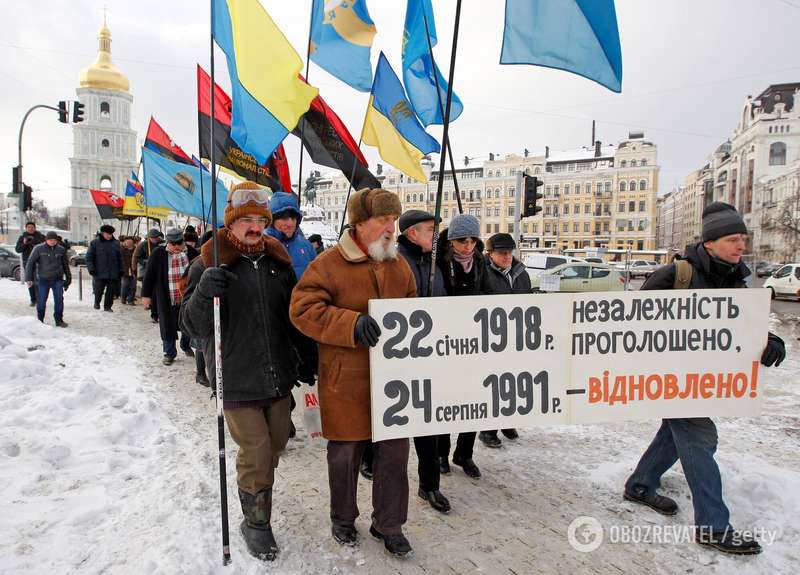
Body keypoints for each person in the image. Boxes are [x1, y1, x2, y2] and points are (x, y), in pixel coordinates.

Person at [623, 202, 785, 556]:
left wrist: (770, 340)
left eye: (743, 238)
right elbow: (631, 325)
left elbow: (747, 324)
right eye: (732, 239)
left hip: (704, 379)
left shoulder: (738, 278)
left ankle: (639, 484)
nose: (741, 245)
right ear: (710, 243)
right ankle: (713, 526)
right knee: (700, 437)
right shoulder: (675, 274)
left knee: (674, 433)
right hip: (670, 377)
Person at [181, 181, 317, 560]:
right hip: (235, 377)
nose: (255, 227)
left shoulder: (278, 262)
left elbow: (293, 317)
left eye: (261, 219)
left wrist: (307, 358)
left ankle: (256, 490)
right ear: (231, 223)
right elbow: (191, 327)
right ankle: (256, 523)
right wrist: (206, 291)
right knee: (257, 452)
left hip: (276, 377)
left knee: (274, 447)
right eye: (247, 221)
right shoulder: (208, 262)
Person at [290, 188, 417, 557]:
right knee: (345, 454)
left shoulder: (398, 265)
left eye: (394, 220)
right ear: (359, 224)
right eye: (383, 220)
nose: (392, 228)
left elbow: (413, 311)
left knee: (394, 453)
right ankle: (343, 518)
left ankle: (389, 524)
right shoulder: (328, 264)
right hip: (345, 378)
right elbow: (302, 309)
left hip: (393, 380)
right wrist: (350, 324)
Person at [396, 209, 452, 513]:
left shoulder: (433, 264)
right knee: (395, 427)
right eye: (431, 229)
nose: (436, 234)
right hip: (402, 359)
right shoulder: (396, 262)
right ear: (412, 233)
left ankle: (429, 485)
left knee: (430, 422)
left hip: (432, 355)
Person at [435, 213, 487, 479]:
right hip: (447, 341)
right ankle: (441, 453)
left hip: (475, 341)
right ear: (452, 240)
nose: (468, 246)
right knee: (447, 400)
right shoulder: (440, 263)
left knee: (474, 400)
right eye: (462, 240)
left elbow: (490, 295)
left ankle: (464, 453)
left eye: (472, 240)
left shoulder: (480, 262)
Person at [478, 233, 531, 448]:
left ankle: (507, 420)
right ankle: (488, 430)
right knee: (494, 386)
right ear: (490, 254)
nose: (507, 257)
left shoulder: (521, 273)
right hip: (491, 339)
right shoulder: (482, 272)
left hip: (516, 339)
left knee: (513, 383)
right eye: (502, 253)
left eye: (510, 253)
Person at [142, 228, 198, 366]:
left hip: (188, 297)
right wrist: (146, 295)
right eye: (173, 244)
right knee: (167, 325)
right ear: (168, 243)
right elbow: (149, 275)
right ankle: (169, 352)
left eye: (179, 243)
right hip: (166, 297)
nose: (177, 247)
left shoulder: (192, 253)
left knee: (188, 323)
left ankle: (186, 345)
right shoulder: (158, 253)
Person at [266, 191, 316, 280]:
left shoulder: (306, 246)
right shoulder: (262, 246)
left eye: (293, 218)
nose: (290, 223)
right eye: (284, 218)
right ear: (272, 220)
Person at [25, 231, 71, 327]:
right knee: (41, 301)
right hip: (43, 279)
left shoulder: (61, 250)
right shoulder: (38, 248)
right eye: (50, 240)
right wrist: (28, 278)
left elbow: (65, 265)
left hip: (57, 279)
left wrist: (68, 278)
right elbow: (30, 263)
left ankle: (59, 320)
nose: (52, 242)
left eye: (54, 240)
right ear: (46, 240)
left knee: (59, 300)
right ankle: (40, 320)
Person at [85, 224, 122, 312]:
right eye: (107, 234)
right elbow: (89, 257)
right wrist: (91, 269)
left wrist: (121, 270)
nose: (108, 236)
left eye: (110, 234)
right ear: (102, 233)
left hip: (113, 272)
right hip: (99, 271)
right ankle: (97, 302)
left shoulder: (116, 243)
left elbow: (120, 258)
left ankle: (108, 306)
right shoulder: (95, 243)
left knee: (111, 291)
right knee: (99, 290)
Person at [135, 228, 164, 322]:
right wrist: (145, 262)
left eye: (156, 237)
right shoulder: (143, 245)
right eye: (153, 237)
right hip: (148, 271)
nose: (155, 239)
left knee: (157, 294)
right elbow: (137, 257)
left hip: (159, 272)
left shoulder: (162, 244)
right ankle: (153, 312)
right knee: (150, 292)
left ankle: (156, 312)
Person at [15, 221, 45, 306]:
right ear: (26, 228)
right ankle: (33, 299)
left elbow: (45, 246)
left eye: (32, 227)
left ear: (35, 228)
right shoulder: (22, 237)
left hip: (39, 262)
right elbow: (18, 249)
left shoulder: (40, 236)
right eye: (29, 227)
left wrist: (35, 242)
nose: (30, 229)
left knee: (39, 280)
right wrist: (24, 244)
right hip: (27, 262)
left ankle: (39, 299)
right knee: (30, 281)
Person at [120, 236, 137, 305]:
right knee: (125, 285)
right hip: (125, 270)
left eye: (130, 242)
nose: (129, 243)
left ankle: (131, 299)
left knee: (133, 286)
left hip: (133, 270)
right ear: (125, 243)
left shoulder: (136, 249)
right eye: (127, 242)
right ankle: (123, 298)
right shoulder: (122, 249)